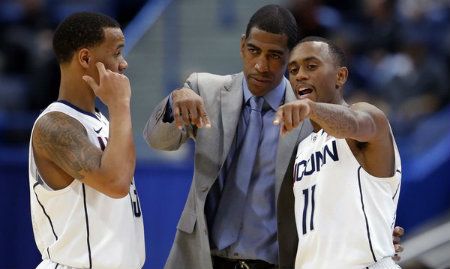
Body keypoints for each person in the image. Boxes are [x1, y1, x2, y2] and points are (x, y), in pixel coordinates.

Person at [144, 5, 403, 269]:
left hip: (274, 262)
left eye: (275, 56)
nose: (261, 65)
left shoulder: (312, 114)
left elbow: (357, 135)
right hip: (204, 258)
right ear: (243, 46)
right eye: (254, 50)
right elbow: (156, 140)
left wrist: (376, 232)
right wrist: (175, 99)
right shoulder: (205, 90)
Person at [29, 12, 145, 269]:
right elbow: (116, 183)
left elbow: (123, 175)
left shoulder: (104, 121)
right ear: (85, 58)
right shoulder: (54, 126)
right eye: (116, 52)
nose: (123, 63)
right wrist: (120, 104)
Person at [274, 36, 402, 268]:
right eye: (293, 70)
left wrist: (311, 108)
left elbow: (352, 123)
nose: (300, 75)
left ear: (340, 76)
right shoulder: (302, 148)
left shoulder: (368, 116)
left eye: (311, 66)